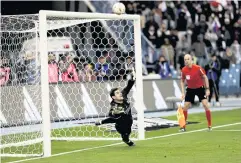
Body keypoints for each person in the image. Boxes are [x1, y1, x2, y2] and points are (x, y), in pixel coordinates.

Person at [95, 68, 136, 146]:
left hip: (129, 121)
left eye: (119, 92)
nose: (120, 93)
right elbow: (111, 119)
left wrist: (132, 75)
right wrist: (101, 122)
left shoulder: (123, 95)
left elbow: (129, 85)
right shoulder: (114, 108)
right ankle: (126, 140)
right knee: (125, 136)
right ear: (113, 97)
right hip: (121, 126)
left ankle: (127, 138)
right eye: (117, 93)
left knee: (129, 130)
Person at [180, 54, 212, 132]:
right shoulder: (184, 70)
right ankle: (183, 127)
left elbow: (205, 77)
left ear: (191, 60)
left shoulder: (198, 68)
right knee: (185, 106)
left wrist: (207, 89)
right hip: (190, 89)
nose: (186, 61)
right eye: (185, 59)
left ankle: (209, 125)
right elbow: (182, 81)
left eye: (188, 59)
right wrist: (183, 93)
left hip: (200, 88)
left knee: (205, 105)